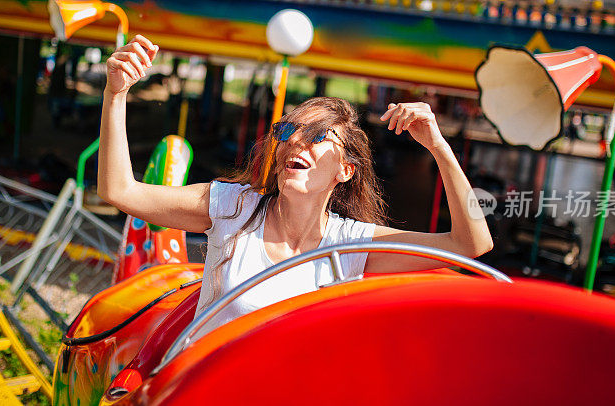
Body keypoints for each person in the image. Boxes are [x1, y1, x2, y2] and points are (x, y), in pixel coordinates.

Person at [97, 36, 493, 334]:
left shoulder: (350, 246)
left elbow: (470, 244)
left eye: (318, 135)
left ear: (345, 171)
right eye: (288, 130)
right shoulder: (233, 207)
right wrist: (115, 94)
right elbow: (120, 191)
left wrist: (439, 147)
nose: (295, 142)